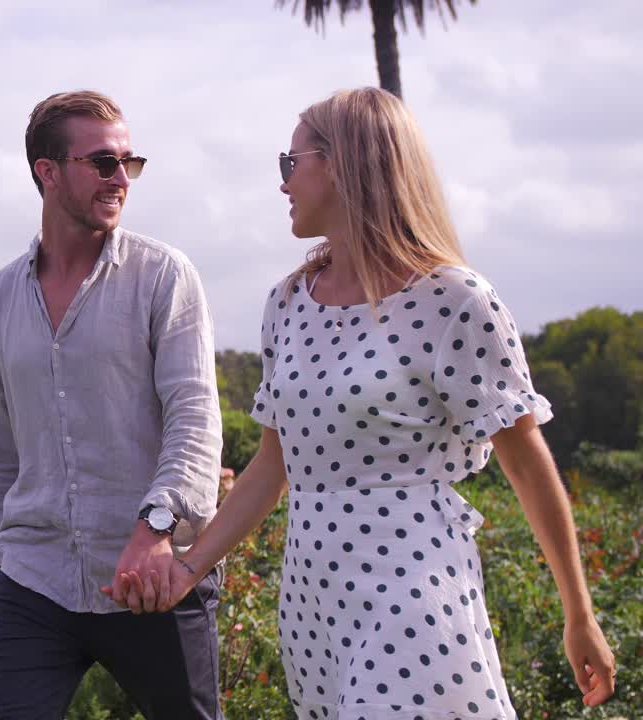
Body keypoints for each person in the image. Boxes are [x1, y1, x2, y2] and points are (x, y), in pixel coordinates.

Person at [107, 87, 616, 718]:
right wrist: (189, 568)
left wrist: (579, 615)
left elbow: (527, 461)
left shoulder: (453, 299)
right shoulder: (289, 301)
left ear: (344, 163)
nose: (284, 182)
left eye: (292, 163)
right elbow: (274, 463)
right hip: (311, 600)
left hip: (410, 586)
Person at [0, 89, 225, 720]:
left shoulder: (164, 277)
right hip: (34, 578)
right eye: (102, 162)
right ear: (47, 172)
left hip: (154, 577)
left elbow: (195, 418)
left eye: (128, 163)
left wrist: (156, 529)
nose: (120, 178)